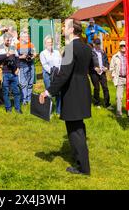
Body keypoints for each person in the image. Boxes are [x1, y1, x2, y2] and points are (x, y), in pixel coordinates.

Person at [39, 19, 93, 176]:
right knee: (79, 128)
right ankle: (80, 159)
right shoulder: (86, 47)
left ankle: (83, 167)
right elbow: (91, 70)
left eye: (65, 26)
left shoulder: (70, 48)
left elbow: (64, 74)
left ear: (71, 30)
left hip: (73, 92)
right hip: (83, 90)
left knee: (74, 131)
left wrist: (48, 92)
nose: (62, 28)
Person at [0, 33, 22, 114]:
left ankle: (18, 109)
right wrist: (7, 54)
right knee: (5, 91)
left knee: (16, 91)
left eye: (10, 40)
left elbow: (17, 58)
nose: (9, 41)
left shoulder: (13, 47)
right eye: (7, 40)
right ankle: (8, 108)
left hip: (14, 73)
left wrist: (18, 68)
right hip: (4, 73)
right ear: (3, 40)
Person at [110, 41, 129, 118]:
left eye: (124, 45)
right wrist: (114, 76)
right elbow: (111, 68)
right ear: (119, 47)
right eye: (121, 46)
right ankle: (118, 114)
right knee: (118, 96)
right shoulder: (115, 57)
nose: (123, 47)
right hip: (120, 78)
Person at [39, 35, 62, 115]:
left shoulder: (57, 52)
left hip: (57, 74)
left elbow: (60, 62)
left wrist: (58, 71)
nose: (50, 44)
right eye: (48, 43)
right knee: (49, 92)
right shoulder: (43, 53)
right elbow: (45, 65)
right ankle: (49, 112)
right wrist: (52, 72)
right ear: (45, 44)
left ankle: (59, 111)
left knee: (59, 92)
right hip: (48, 74)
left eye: (51, 42)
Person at [16, 31, 37, 106]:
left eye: (28, 36)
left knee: (30, 83)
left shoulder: (31, 44)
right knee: (23, 83)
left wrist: (32, 56)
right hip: (22, 65)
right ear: (21, 38)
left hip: (30, 64)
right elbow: (13, 56)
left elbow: (35, 53)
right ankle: (24, 100)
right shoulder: (17, 45)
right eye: (25, 36)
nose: (27, 38)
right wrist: (22, 57)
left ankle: (29, 99)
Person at [90, 38, 111, 109]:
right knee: (96, 88)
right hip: (94, 73)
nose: (98, 45)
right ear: (93, 44)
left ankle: (107, 104)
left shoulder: (103, 52)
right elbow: (88, 64)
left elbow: (107, 61)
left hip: (102, 72)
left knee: (105, 87)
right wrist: (94, 68)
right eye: (97, 44)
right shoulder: (91, 52)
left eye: (99, 44)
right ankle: (97, 103)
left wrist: (106, 67)